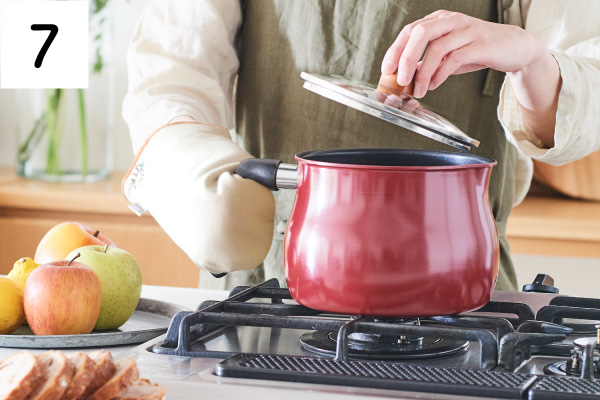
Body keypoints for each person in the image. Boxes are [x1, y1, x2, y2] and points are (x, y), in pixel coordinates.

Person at [122, 1, 600, 292]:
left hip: (454, 273)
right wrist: (188, 164)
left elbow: (587, 92)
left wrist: (532, 60)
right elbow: (171, 69)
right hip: (267, 274)